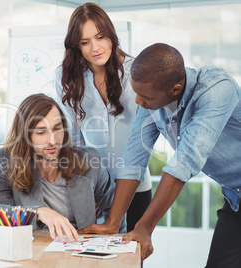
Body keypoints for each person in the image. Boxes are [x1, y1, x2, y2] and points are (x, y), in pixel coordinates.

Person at [88, 43, 241, 267]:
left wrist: (145, 228)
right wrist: (113, 222)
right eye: (137, 94)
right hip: (235, 199)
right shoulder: (153, 102)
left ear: (175, 90)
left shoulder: (217, 89)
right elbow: (134, 158)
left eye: (145, 97)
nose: (138, 102)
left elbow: (183, 162)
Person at [54, 2, 152, 232]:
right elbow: (74, 140)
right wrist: (87, 186)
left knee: (132, 260)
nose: (95, 48)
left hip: (136, 186)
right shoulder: (66, 77)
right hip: (94, 189)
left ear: (111, 35)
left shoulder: (136, 71)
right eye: (85, 42)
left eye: (100, 37)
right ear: (76, 46)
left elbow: (145, 138)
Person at [0, 93, 126, 243]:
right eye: (41, 132)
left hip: (79, 254)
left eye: (57, 129)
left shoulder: (88, 160)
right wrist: (37, 213)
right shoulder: (6, 161)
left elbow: (116, 211)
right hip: (33, 254)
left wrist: (115, 247)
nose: (52, 141)